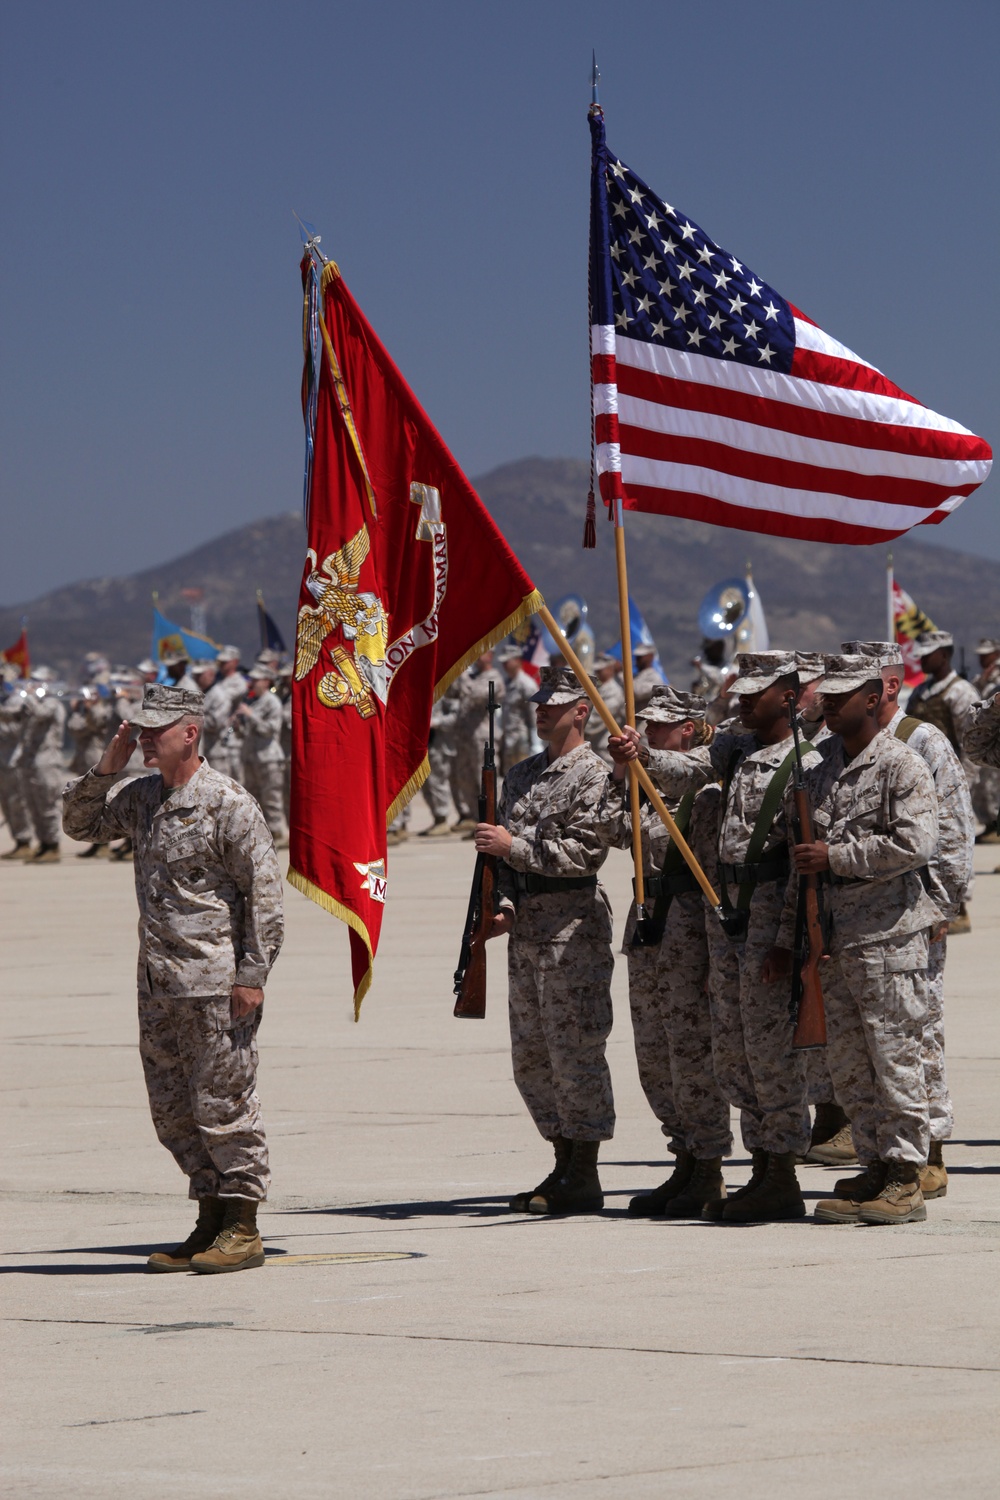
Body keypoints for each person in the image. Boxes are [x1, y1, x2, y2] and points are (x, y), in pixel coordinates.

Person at [61, 683, 284, 1273]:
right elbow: (79, 825)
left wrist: (253, 974)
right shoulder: (142, 797)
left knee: (225, 1104)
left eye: (154, 731)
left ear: (190, 732)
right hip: (159, 983)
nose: (143, 741)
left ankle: (243, 1225)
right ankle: (210, 1215)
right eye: (139, 730)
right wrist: (106, 767)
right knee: (174, 1110)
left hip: (215, 985)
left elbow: (264, 894)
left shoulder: (227, 802)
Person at [611, 650, 820, 1223]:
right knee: (735, 1054)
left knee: (772, 1054)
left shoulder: (809, 760)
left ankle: (781, 1171)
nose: (744, 700)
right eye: (742, 690)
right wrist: (644, 756)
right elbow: (690, 770)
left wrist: (786, 939)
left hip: (770, 918)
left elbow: (803, 864)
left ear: (788, 693)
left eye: (757, 692)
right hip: (726, 923)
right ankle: (751, 1166)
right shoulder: (734, 747)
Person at [765, 655, 941, 1226]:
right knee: (849, 1066)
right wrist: (790, 938)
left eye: (843, 695)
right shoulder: (817, 772)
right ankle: (872, 1163)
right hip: (832, 942)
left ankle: (906, 1177)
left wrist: (838, 855)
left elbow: (917, 843)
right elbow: (801, 865)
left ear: (873, 698)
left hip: (888, 942)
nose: (829, 704)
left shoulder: (901, 764)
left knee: (895, 1061)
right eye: (828, 696)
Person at [475, 666, 615, 1215]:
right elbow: (499, 863)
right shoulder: (521, 774)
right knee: (532, 1057)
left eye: (554, 706)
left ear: (582, 711)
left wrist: (515, 847)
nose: (542, 712)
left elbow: (586, 852)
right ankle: (561, 1159)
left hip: (572, 925)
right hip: (528, 925)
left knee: (575, 1049)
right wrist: (502, 904)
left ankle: (584, 1169)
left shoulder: (593, 775)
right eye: (538, 704)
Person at [841, 639, 974, 1197]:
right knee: (871, 1041)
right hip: (861, 919)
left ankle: (931, 1151)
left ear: (886, 687)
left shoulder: (922, 740)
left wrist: (941, 905)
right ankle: (887, 1146)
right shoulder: (843, 744)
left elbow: (952, 831)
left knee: (919, 1032)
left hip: (915, 914)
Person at [598, 686, 731, 1218]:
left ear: (692, 728)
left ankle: (709, 1165)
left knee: (692, 1049)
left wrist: (646, 759)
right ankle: (683, 1156)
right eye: (646, 725)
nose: (648, 733)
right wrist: (621, 773)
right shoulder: (643, 775)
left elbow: (690, 774)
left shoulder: (708, 772)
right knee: (654, 1053)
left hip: (691, 923)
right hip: (649, 917)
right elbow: (608, 830)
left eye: (660, 725)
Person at [907, 631, 980, 791]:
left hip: (948, 781)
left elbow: (970, 748)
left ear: (944, 655)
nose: (922, 659)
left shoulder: (961, 692)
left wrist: (961, 787)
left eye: (928, 655)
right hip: (917, 778)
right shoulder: (919, 692)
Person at [451, 653, 505, 832]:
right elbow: (451, 693)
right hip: (465, 737)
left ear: (490, 656)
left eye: (481, 653)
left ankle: (492, 821)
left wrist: (463, 678)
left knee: (484, 781)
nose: (477, 657)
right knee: (465, 779)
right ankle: (477, 820)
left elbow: (476, 696)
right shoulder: (471, 676)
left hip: (482, 738)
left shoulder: (493, 677)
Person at [20, 668, 68, 864]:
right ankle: (43, 844)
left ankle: (53, 845)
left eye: (38, 681)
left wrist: (29, 696)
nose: (33, 685)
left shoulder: (52, 703)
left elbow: (41, 714)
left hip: (48, 761)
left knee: (48, 806)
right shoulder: (34, 703)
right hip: (32, 760)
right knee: (34, 805)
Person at [237, 666, 288, 844]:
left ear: (266, 681)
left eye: (257, 680)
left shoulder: (272, 702)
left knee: (271, 798)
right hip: (252, 758)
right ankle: (262, 834)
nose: (253, 683)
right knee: (255, 797)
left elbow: (270, 729)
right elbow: (248, 732)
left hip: (269, 758)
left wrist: (251, 716)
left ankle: (277, 834)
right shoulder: (255, 701)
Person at [67, 684, 117, 858]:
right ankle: (95, 842)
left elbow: (96, 724)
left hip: (98, 759)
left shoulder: (103, 710)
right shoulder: (83, 711)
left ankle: (104, 844)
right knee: (87, 804)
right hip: (83, 760)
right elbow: (74, 728)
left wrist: (91, 709)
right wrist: (76, 710)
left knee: (101, 803)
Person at [201, 647, 247, 782]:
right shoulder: (220, 682)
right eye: (220, 662)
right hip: (219, 737)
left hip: (232, 736)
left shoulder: (238, 682)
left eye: (225, 662)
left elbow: (222, 698)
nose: (221, 665)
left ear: (235, 662)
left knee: (232, 779)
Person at [0, 668, 32, 859]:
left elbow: (15, 731)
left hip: (14, 760)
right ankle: (19, 841)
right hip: (3, 760)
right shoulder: (4, 701)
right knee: (6, 803)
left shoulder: (18, 701)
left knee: (17, 802)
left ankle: (25, 840)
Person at [419, 681, 458, 836]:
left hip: (439, 745)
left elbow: (456, 714)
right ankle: (436, 818)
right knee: (426, 785)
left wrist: (437, 722)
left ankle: (442, 819)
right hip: (423, 744)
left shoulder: (445, 688)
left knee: (437, 782)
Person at [971, 639, 1000, 841]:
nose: (983, 658)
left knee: (992, 786)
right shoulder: (984, 677)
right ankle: (991, 823)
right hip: (987, 735)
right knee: (983, 785)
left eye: (986, 654)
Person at [497, 645, 540, 772]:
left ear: (517, 660)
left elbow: (534, 716)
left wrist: (536, 744)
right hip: (508, 741)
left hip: (522, 742)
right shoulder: (506, 683)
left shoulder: (526, 685)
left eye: (507, 661)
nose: (504, 665)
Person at [583, 654, 625, 768]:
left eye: (601, 670)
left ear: (610, 669)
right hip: (594, 744)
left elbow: (600, 717)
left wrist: (578, 727)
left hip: (606, 747)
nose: (597, 673)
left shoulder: (615, 691)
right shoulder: (601, 688)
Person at [631, 643, 663, 712]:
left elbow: (637, 693)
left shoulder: (654, 678)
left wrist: (622, 675)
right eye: (637, 657)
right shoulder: (636, 676)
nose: (638, 659)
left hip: (645, 720)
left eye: (641, 656)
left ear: (650, 656)